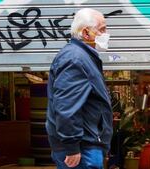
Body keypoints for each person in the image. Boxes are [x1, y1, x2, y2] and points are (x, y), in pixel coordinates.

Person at [46, 8, 113, 169]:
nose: (106, 34)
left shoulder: (83, 57)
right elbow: (66, 106)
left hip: (86, 146)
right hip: (81, 151)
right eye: (102, 29)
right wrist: (72, 147)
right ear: (86, 33)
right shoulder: (75, 59)